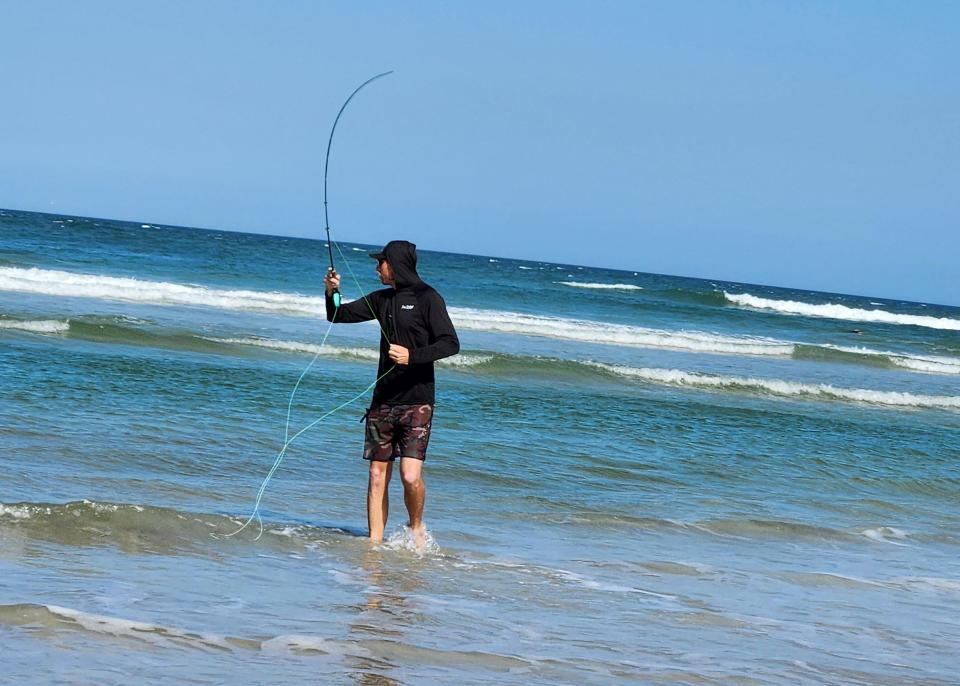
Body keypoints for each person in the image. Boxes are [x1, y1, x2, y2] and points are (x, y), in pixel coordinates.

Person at [323, 240, 459, 545]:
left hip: (418, 402)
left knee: (410, 476)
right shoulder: (382, 299)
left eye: (381, 262)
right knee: (375, 476)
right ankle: (374, 544)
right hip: (382, 402)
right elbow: (337, 315)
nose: (376, 268)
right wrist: (332, 292)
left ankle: (416, 527)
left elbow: (451, 343)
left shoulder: (429, 298)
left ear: (395, 264)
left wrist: (413, 356)